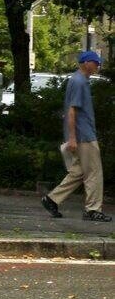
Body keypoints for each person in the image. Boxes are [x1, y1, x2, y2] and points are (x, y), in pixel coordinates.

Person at [41, 51, 111, 223]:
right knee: (94, 172)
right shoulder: (79, 82)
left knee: (79, 172)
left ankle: (52, 199)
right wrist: (73, 138)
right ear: (86, 62)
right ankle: (93, 210)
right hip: (84, 136)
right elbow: (72, 111)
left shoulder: (78, 80)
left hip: (81, 134)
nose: (97, 66)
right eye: (95, 63)